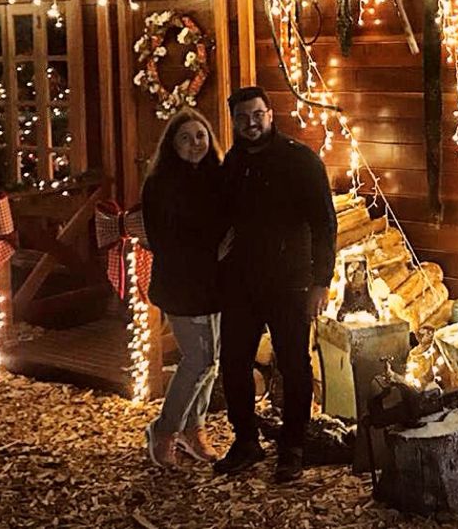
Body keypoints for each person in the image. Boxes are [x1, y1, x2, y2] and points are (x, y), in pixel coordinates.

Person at [214, 85, 337, 484]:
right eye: (242, 118)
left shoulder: (300, 161)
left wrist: (321, 282)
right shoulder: (230, 164)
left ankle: (293, 447)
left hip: (289, 282)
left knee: (294, 366)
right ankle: (246, 440)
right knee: (232, 363)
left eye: (257, 115)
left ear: (270, 114)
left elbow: (324, 224)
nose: (251, 124)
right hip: (241, 283)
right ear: (233, 121)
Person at [141, 109, 226, 469]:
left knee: (212, 361)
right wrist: (212, 247)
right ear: (172, 145)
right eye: (186, 138)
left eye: (201, 136)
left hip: (214, 284)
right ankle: (164, 429)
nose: (195, 144)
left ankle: (194, 427)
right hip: (181, 283)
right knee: (199, 358)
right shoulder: (161, 184)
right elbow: (166, 239)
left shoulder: (216, 177)